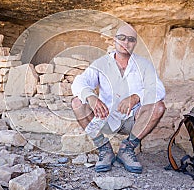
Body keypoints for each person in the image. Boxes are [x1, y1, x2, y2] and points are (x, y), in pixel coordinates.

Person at [71, 24, 166, 174]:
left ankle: (126, 149)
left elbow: (158, 89)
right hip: (104, 118)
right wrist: (91, 97)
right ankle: (104, 149)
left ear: (135, 43)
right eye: (121, 38)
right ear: (114, 40)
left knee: (159, 107)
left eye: (131, 39)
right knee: (77, 102)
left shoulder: (144, 65)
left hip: (133, 120)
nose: (125, 42)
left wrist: (136, 97)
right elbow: (80, 82)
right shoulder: (101, 63)